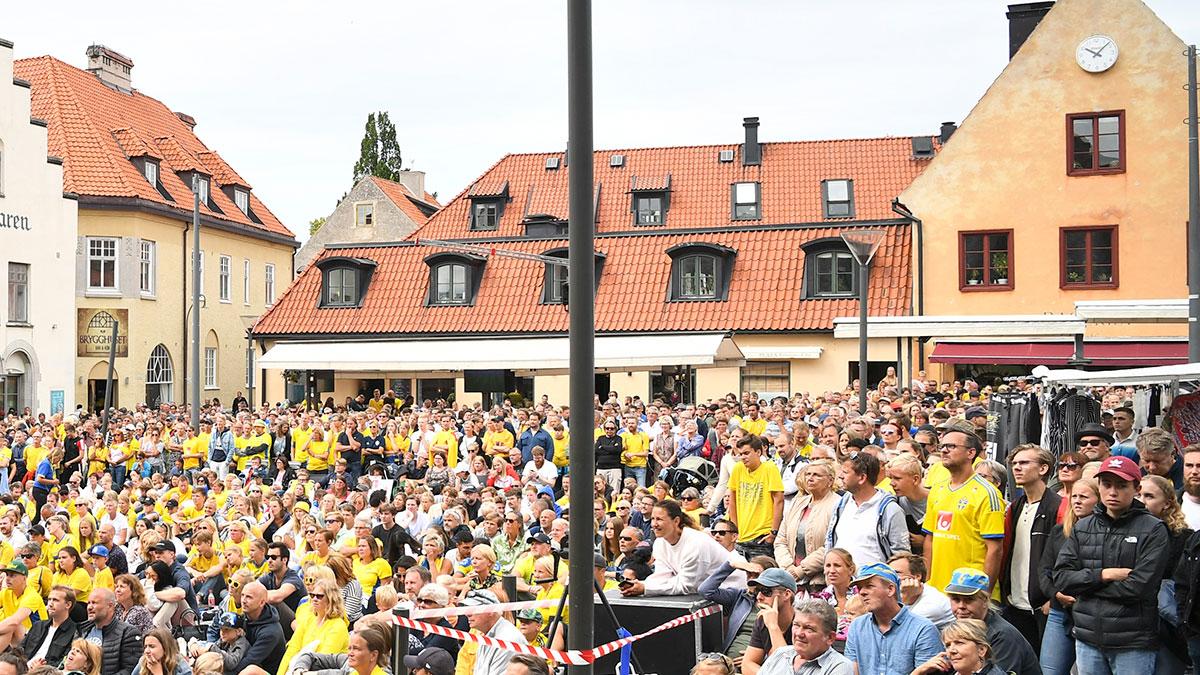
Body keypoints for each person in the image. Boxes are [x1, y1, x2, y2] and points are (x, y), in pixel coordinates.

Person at [1054, 455, 1169, 673]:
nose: (1113, 492)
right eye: (1106, 484)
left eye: (1121, 485)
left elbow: (1138, 588)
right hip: (1088, 638)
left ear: (1136, 488)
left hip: (1133, 643)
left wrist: (1085, 588)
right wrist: (1103, 575)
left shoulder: (1154, 529)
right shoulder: (1083, 527)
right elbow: (1062, 578)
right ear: (1099, 486)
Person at [922, 430, 1004, 596]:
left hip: (969, 591)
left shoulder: (987, 492)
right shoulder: (938, 489)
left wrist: (983, 594)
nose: (944, 450)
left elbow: (995, 549)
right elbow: (930, 539)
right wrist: (928, 582)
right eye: (942, 446)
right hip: (937, 590)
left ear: (971, 453)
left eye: (951, 446)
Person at [999, 444, 1060, 653]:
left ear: (1043, 469)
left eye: (1024, 463)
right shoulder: (1015, 506)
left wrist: (1053, 597)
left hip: (1044, 606)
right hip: (1015, 603)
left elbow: (1065, 557)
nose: (1017, 468)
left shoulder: (1058, 507)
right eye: (1014, 463)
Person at [843, 563, 942, 675]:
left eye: (869, 586)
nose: (862, 592)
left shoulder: (923, 629)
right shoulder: (857, 626)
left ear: (890, 589)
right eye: (860, 588)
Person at [943, 567, 1039, 675]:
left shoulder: (1002, 635)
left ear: (985, 600)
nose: (961, 606)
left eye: (969, 600)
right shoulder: (959, 628)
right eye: (956, 600)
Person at [620, 500, 727, 597]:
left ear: (676, 521)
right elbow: (662, 577)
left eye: (659, 519)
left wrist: (645, 588)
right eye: (653, 519)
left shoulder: (696, 543)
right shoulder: (660, 543)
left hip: (727, 590)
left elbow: (686, 585)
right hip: (700, 592)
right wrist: (637, 585)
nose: (654, 524)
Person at [826, 452, 909, 568]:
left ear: (862, 478)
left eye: (845, 472)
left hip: (875, 583)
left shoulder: (890, 510)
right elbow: (830, 542)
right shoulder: (841, 505)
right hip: (842, 584)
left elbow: (901, 555)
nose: (840, 476)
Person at [774, 461, 837, 586]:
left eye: (817, 475)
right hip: (791, 578)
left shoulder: (837, 505)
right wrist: (788, 568)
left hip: (820, 580)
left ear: (830, 481)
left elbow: (832, 545)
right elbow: (781, 540)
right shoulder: (797, 503)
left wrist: (801, 570)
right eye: (808, 474)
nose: (810, 478)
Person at [755, 600, 852, 675]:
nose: (799, 633)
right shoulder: (781, 654)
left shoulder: (839, 666)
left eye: (809, 628)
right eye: (796, 625)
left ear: (830, 637)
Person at [728, 435, 784, 558]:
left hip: (762, 537)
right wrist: (734, 529)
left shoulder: (769, 468)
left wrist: (773, 532)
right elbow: (732, 500)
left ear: (758, 452)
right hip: (742, 536)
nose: (743, 457)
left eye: (746, 453)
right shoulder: (738, 468)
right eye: (741, 454)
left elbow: (779, 500)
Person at [740, 568, 797, 675]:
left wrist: (773, 626)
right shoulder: (763, 620)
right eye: (757, 591)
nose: (759, 597)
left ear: (787, 594)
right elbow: (747, 665)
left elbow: (784, 670)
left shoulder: (802, 624)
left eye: (766, 591)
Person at [75, 588, 143, 675]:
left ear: (110, 606)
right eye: (89, 603)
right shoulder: (82, 629)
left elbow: (129, 670)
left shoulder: (128, 633)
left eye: (94, 603)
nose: (89, 607)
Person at [912, 619, 1009, 675]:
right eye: (948, 645)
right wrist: (920, 671)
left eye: (959, 643)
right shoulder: (947, 672)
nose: (951, 651)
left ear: (981, 650)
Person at [464, 590, 526, 675]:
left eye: (474, 609)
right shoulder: (486, 635)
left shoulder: (507, 639)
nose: (468, 614)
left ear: (490, 611)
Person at [233, 582, 286, 675]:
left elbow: (249, 661)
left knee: (249, 671)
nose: (243, 601)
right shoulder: (245, 617)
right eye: (242, 595)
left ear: (262, 602)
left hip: (267, 672)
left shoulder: (271, 632)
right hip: (244, 664)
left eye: (249, 597)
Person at [888, 553, 954, 629]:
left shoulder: (932, 603)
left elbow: (897, 630)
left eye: (896, 573)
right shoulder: (898, 595)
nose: (890, 577)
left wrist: (905, 598)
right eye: (888, 573)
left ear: (917, 576)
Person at [20, 586, 77, 668]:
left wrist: (41, 668)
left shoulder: (75, 632)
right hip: (23, 668)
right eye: (49, 599)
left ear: (68, 605)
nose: (50, 604)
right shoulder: (38, 625)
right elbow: (20, 650)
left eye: (55, 600)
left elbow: (64, 662)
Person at [0, 560, 47, 651]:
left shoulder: (32, 596)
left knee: (12, 625)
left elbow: (14, 621)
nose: (8, 579)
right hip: (18, 638)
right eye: (7, 575)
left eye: (13, 575)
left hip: (37, 639)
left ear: (24, 578)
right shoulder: (6, 592)